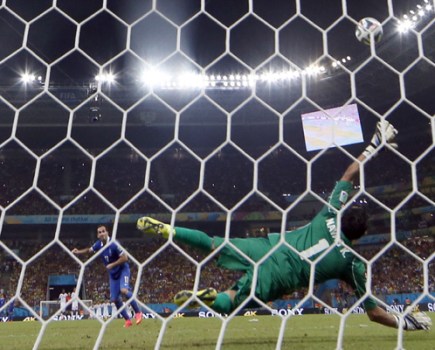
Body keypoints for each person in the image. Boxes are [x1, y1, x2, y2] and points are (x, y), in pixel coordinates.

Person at [137, 121, 432, 332]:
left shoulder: (329, 214)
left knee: (212, 242)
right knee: (231, 302)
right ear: (363, 234)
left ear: (342, 215)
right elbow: (374, 313)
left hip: (269, 246)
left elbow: (349, 174)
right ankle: (208, 298)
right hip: (280, 276)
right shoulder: (352, 265)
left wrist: (374, 147)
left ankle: (170, 231)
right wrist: (405, 322)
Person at [72, 224, 142, 328]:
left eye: (103, 231)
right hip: (113, 275)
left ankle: (138, 313)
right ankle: (128, 320)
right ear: (98, 235)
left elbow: (125, 258)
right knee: (114, 299)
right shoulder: (98, 245)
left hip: (123, 270)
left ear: (107, 233)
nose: (102, 233)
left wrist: (112, 264)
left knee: (123, 290)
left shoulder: (114, 244)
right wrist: (78, 252)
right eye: (99, 232)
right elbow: (89, 251)